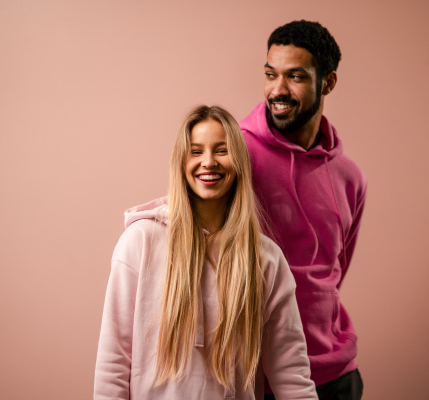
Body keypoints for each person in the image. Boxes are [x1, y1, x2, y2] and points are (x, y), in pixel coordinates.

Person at [94, 105, 318, 400]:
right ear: (181, 162)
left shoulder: (266, 260)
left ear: (239, 161)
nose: (208, 162)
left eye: (222, 150)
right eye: (196, 151)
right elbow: (113, 365)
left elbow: (292, 378)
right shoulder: (139, 243)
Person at [239, 21, 367, 400]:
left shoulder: (349, 176)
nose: (277, 90)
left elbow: (336, 270)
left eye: (294, 76)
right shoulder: (236, 156)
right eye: (270, 75)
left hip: (336, 373)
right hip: (257, 375)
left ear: (327, 83)